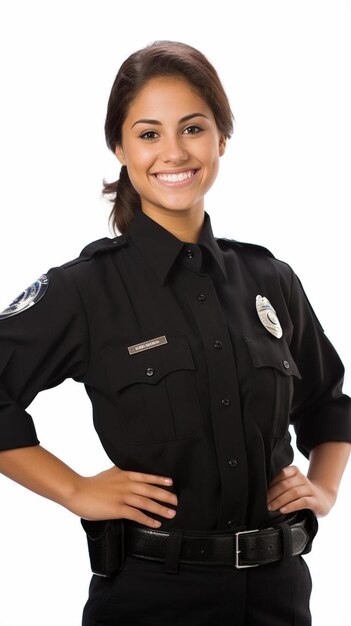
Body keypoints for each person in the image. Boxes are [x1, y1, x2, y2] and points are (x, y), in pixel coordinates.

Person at [0, 40, 350, 626]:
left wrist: (325, 486)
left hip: (280, 599)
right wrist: (75, 490)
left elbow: (327, 402)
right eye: (148, 133)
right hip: (150, 600)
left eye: (192, 128)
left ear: (221, 140)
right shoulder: (86, 290)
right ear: (120, 147)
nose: (173, 152)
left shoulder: (270, 279)